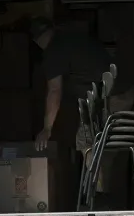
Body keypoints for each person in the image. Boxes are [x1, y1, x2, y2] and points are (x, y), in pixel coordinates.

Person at [27, 17, 112, 155]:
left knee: (87, 143)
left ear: (37, 40)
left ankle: (97, 176)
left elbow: (55, 90)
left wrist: (47, 128)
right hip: (121, 92)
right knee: (110, 148)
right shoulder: (73, 38)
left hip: (104, 98)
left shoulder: (53, 51)